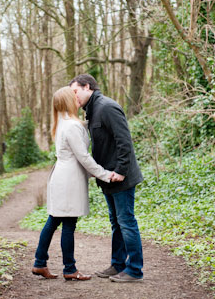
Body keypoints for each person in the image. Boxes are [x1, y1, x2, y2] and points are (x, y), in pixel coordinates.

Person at [32, 87, 113, 281]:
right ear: (69, 101)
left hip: (62, 176)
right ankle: (69, 268)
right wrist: (105, 175)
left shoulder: (63, 123)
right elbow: (84, 157)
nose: (77, 97)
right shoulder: (71, 126)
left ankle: (40, 263)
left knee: (54, 221)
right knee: (67, 223)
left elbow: (79, 130)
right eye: (73, 96)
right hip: (68, 179)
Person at [70, 74, 144, 282]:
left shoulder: (107, 107)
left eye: (75, 91)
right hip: (108, 178)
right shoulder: (92, 111)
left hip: (121, 177)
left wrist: (120, 170)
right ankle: (118, 264)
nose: (73, 96)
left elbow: (124, 141)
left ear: (87, 87)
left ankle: (134, 270)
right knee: (116, 223)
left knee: (126, 222)